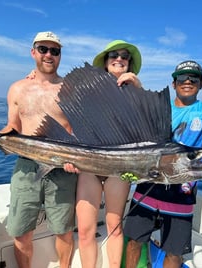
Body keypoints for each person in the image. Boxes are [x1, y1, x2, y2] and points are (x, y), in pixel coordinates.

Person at [123, 60, 202, 268]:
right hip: (147, 185)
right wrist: (129, 168)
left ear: (201, 84)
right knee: (133, 242)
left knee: (174, 253)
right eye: (182, 77)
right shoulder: (159, 110)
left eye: (194, 77)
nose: (188, 81)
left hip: (181, 194)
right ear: (173, 84)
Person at [0, 31, 78, 268]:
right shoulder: (17, 89)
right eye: (43, 49)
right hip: (27, 166)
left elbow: (78, 131)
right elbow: (13, 127)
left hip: (62, 168)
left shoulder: (70, 89)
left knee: (64, 232)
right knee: (20, 233)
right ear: (33, 52)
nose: (49, 55)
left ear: (60, 56)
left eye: (55, 51)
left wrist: (75, 159)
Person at [72, 40, 142, 268]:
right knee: (85, 230)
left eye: (124, 55)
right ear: (105, 61)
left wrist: (137, 88)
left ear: (129, 62)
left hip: (117, 169)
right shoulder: (90, 91)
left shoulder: (135, 92)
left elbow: (144, 126)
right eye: (114, 54)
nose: (119, 58)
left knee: (114, 226)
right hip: (89, 168)